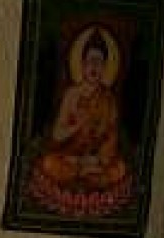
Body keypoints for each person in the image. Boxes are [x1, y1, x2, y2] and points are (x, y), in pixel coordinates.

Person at [28, 25, 134, 214]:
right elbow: (57, 135)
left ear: (105, 67)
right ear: (82, 65)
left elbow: (111, 140)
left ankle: (86, 179)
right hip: (70, 160)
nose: (94, 67)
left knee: (120, 169)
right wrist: (77, 125)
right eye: (90, 61)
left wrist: (97, 160)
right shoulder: (72, 95)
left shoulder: (109, 100)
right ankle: (84, 178)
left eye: (99, 62)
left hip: (95, 163)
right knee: (48, 163)